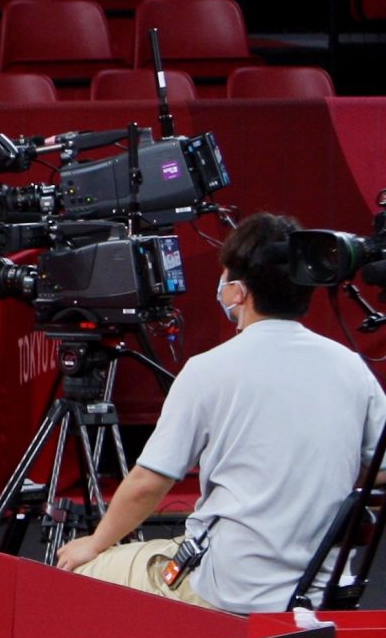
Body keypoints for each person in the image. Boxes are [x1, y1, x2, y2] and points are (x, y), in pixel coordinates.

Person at [58, 213, 386, 612]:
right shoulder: (352, 367)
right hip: (323, 591)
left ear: (238, 292)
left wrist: (93, 544)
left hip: (230, 588)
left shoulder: (207, 369)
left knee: (79, 571)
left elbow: (147, 483)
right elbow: (379, 472)